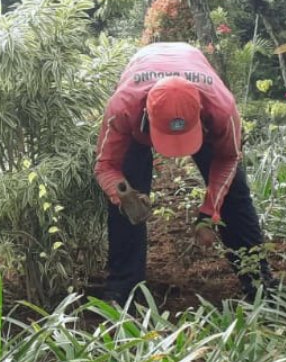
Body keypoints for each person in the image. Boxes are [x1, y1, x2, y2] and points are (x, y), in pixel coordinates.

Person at [94, 41, 275, 306]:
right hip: (139, 108)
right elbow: (105, 165)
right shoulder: (123, 108)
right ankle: (123, 291)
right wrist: (125, 193)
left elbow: (228, 159)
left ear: (201, 114)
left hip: (192, 71)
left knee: (234, 196)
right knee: (125, 208)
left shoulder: (221, 108)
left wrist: (208, 214)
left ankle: (259, 283)